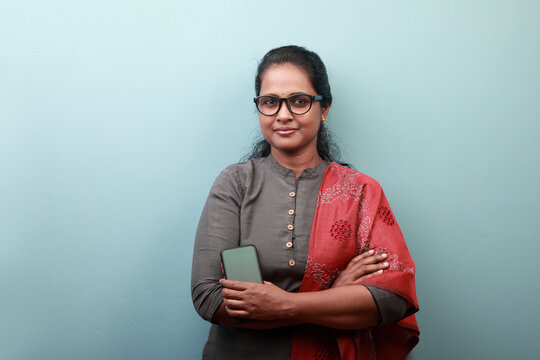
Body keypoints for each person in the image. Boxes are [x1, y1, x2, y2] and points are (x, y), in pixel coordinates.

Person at [191, 45, 419, 359]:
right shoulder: (235, 184)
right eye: (270, 102)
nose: (283, 115)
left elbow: (392, 298)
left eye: (299, 101)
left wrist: (282, 305)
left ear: (323, 108)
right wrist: (334, 298)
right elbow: (209, 298)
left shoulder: (360, 192)